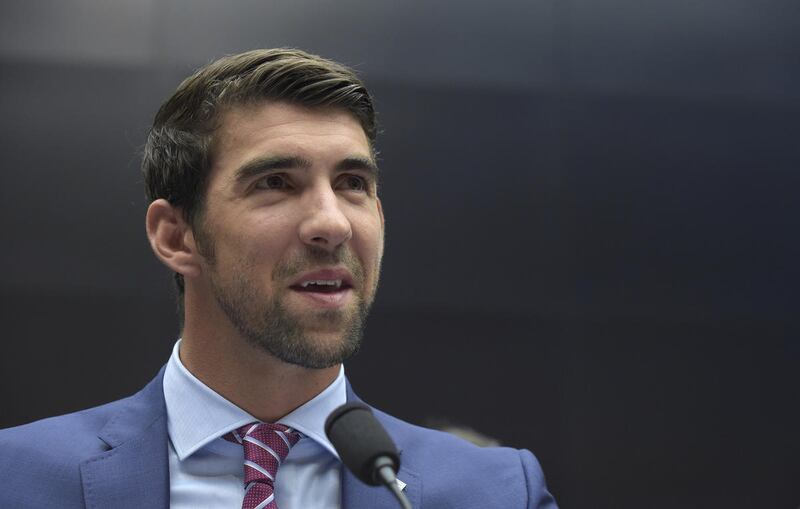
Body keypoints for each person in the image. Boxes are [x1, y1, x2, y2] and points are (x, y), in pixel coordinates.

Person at [0, 48, 557, 509]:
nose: (333, 224)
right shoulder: (16, 478)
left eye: (353, 183)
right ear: (176, 236)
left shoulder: (497, 492)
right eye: (275, 182)